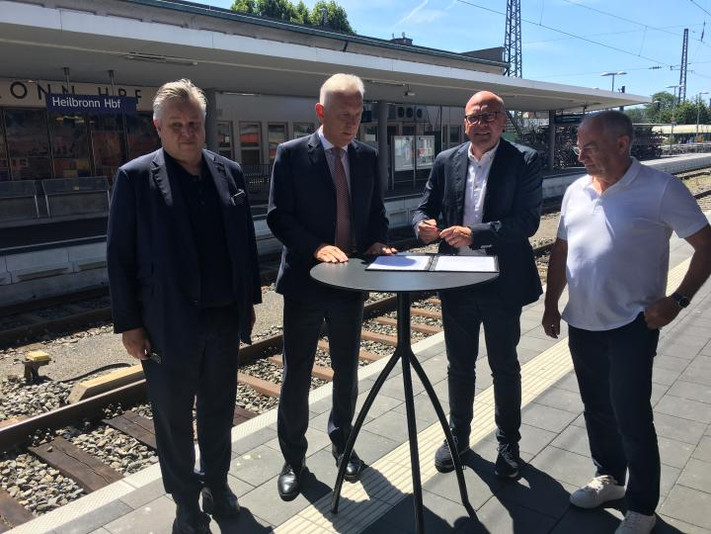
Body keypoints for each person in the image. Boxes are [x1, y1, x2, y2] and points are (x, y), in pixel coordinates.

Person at [542, 110, 711, 534]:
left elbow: (707, 245)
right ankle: (611, 478)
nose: (581, 155)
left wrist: (679, 299)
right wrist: (550, 302)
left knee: (631, 415)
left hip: (633, 324)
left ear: (622, 144)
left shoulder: (661, 189)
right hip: (583, 322)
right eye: (577, 147)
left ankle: (642, 506)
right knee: (597, 409)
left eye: (590, 147)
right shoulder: (577, 189)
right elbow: (561, 251)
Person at [107, 79, 261, 534]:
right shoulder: (134, 178)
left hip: (221, 319)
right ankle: (185, 504)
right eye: (176, 124)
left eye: (194, 122)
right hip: (166, 326)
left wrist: (248, 303)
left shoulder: (229, 173)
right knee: (173, 421)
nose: (187, 131)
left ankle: (217, 483)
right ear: (158, 126)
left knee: (218, 410)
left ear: (204, 124)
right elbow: (119, 257)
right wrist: (129, 325)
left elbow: (245, 246)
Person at [267, 73, 394, 501]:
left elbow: (375, 212)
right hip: (305, 283)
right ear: (321, 112)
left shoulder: (365, 156)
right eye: (344, 114)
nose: (353, 122)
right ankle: (294, 459)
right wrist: (317, 246)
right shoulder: (290, 156)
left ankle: (343, 443)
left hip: (350, 283)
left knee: (346, 369)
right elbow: (278, 217)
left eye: (359, 114)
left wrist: (376, 240)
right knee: (296, 373)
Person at [412, 91, 542, 479]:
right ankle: (458, 435)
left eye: (490, 116)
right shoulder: (445, 160)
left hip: (500, 280)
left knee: (504, 366)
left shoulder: (524, 160)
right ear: (463, 122)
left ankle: (508, 442)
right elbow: (425, 205)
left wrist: (475, 233)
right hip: (456, 280)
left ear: (503, 121)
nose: (481, 123)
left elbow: (527, 222)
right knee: (459, 366)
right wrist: (420, 225)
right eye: (474, 117)